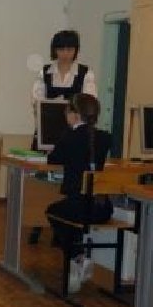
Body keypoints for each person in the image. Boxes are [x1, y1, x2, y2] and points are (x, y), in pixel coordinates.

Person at [29, 29, 97, 243]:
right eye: (61, 49)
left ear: (76, 50)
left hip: (75, 136)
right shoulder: (45, 72)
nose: (66, 53)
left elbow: (89, 102)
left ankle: (62, 226)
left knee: (70, 179)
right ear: (55, 50)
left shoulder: (85, 73)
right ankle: (36, 222)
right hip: (47, 133)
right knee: (40, 180)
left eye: (70, 49)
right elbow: (36, 101)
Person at [45, 93, 113, 293]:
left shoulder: (70, 136)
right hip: (102, 208)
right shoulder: (105, 138)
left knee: (53, 212)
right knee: (68, 211)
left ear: (75, 114)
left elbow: (53, 159)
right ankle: (78, 258)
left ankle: (77, 256)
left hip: (81, 209)